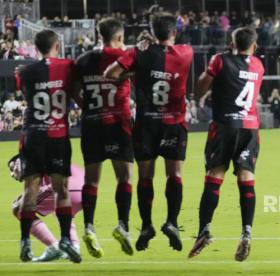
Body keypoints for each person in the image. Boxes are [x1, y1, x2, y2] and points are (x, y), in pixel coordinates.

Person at [105, 15, 193, 252]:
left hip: (146, 124)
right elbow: (169, 48)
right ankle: (172, 222)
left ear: (152, 33)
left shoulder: (138, 53)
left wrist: (134, 73)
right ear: (174, 33)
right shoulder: (187, 52)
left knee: (145, 177)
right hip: (174, 123)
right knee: (174, 174)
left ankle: (146, 226)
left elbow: (110, 74)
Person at [188, 27, 264, 262]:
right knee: (246, 178)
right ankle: (246, 232)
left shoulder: (220, 61)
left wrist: (213, 69)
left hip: (224, 127)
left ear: (231, 42)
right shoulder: (259, 66)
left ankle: (204, 230)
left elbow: (198, 89)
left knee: (215, 175)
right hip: (250, 128)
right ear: (254, 45)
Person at [15, 29, 81, 263]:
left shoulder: (24, 71)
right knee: (60, 190)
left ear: (35, 46)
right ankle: (64, 238)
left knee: (29, 190)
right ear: (56, 46)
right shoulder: (67, 66)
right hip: (57, 135)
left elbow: (25, 92)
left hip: (33, 135)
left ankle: (25, 242)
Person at [74, 18, 134, 258]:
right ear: (119, 37)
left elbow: (75, 90)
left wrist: (86, 107)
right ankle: (123, 225)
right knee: (125, 177)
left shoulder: (83, 60)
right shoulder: (125, 57)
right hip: (118, 124)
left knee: (92, 179)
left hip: (92, 124)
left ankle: (89, 226)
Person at [9, 155, 83, 262]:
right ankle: (74, 246)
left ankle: (53, 247)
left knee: (19, 208)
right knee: (61, 211)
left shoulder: (34, 163)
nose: (12, 174)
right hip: (86, 193)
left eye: (12, 169)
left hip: (68, 188)